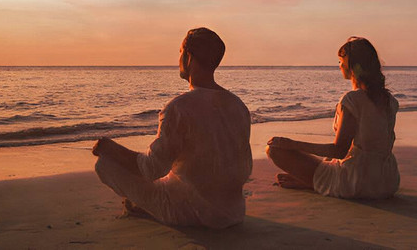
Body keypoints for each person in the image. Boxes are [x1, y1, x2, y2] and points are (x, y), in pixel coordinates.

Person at [92, 28, 252, 228]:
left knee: (105, 163)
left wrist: (112, 149)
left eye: (179, 53)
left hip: (190, 213)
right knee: (175, 171)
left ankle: (151, 208)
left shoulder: (179, 108)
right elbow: (244, 168)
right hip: (232, 212)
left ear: (188, 56)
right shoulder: (238, 105)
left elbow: (152, 169)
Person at [266, 36, 400, 199]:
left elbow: (339, 151)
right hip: (386, 181)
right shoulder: (390, 101)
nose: (339, 66)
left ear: (352, 66)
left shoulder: (352, 100)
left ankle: (313, 183)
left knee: (274, 150)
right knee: (329, 159)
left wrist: (292, 144)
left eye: (340, 61)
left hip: (357, 183)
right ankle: (313, 181)